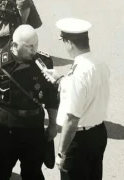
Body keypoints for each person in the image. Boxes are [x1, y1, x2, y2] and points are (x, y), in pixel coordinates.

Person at [0, 25, 59, 180]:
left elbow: (51, 97)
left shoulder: (43, 62)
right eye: (29, 47)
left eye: (36, 45)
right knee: (1, 171)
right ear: (14, 46)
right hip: (5, 130)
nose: (34, 50)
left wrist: (53, 125)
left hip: (33, 127)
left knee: (33, 173)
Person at [43, 18, 110, 180]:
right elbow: (87, 91)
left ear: (69, 43)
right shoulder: (99, 64)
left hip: (79, 141)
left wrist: (62, 152)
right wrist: (60, 80)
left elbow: (72, 119)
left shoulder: (78, 73)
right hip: (99, 133)